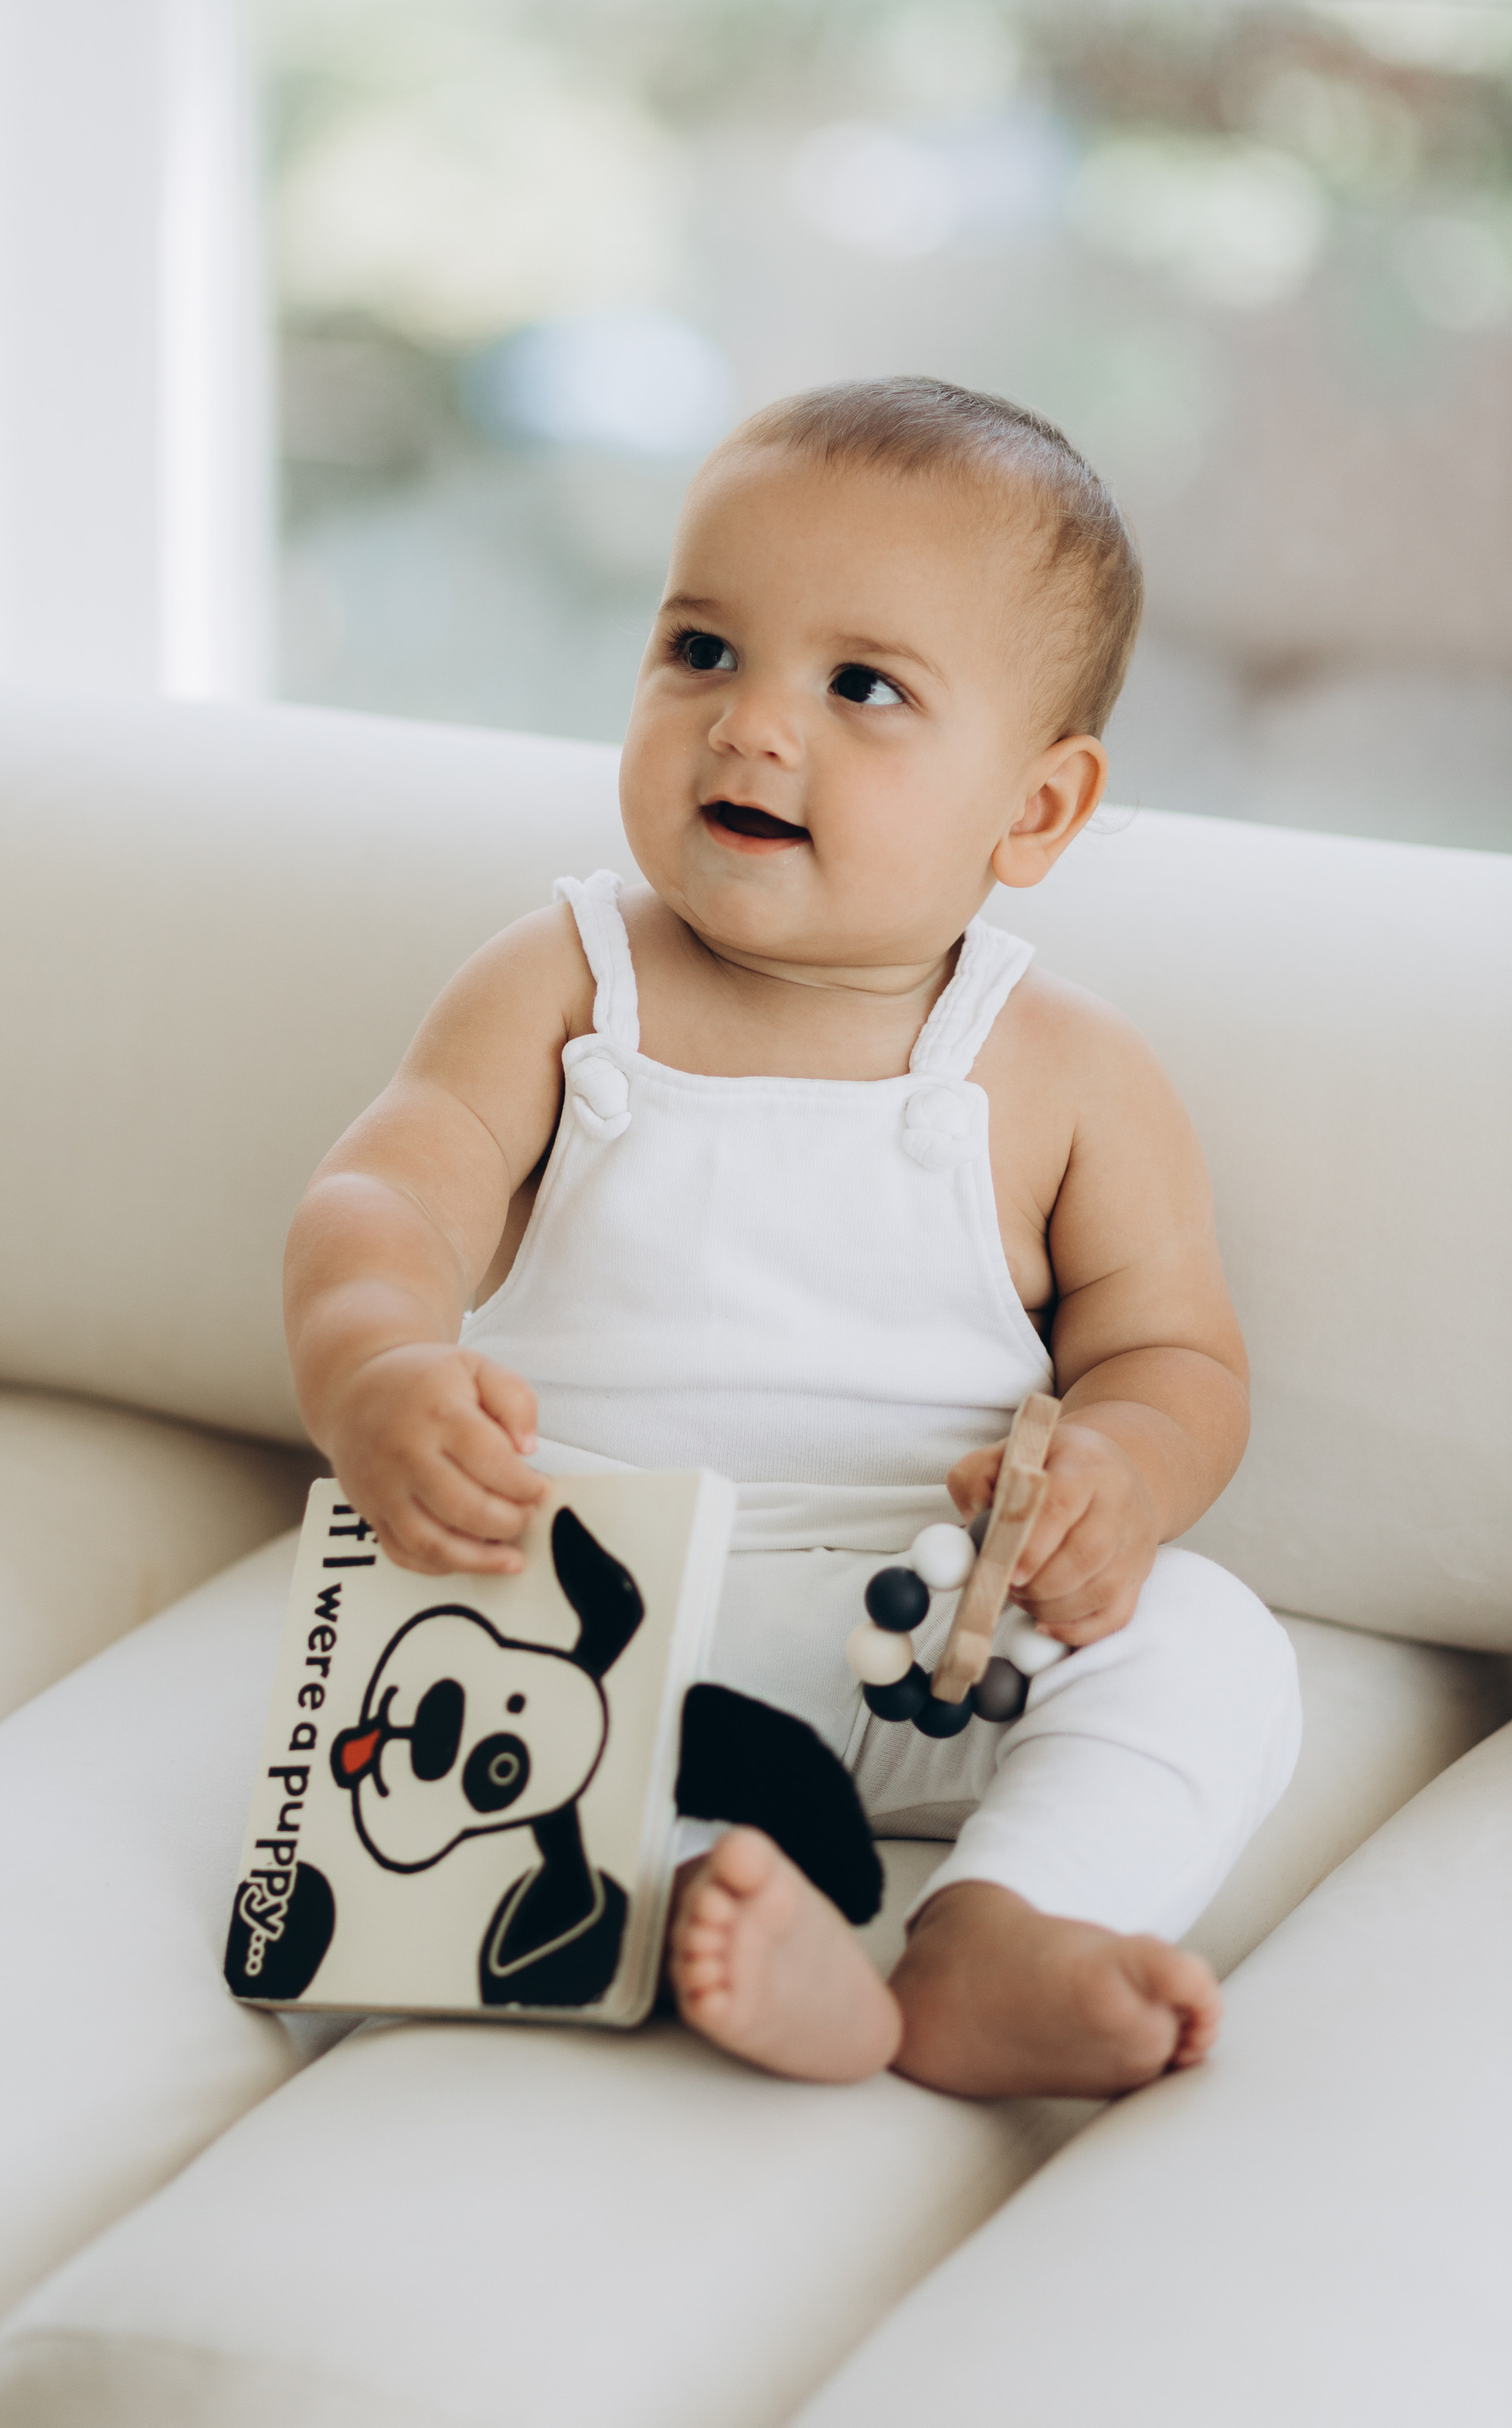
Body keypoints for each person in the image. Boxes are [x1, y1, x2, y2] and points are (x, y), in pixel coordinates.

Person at [283, 376, 1300, 2097]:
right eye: (699, 652)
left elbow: (1168, 1351)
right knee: (480, 1738)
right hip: (592, 1587)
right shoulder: (561, 983)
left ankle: (998, 1928)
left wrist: (1116, 1482)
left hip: (929, 1616)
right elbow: (382, 1194)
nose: (751, 726)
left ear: (1034, 809)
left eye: (860, 687)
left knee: (1212, 1652)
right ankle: (710, 1926)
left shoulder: (1063, 1074)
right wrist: (377, 1367)